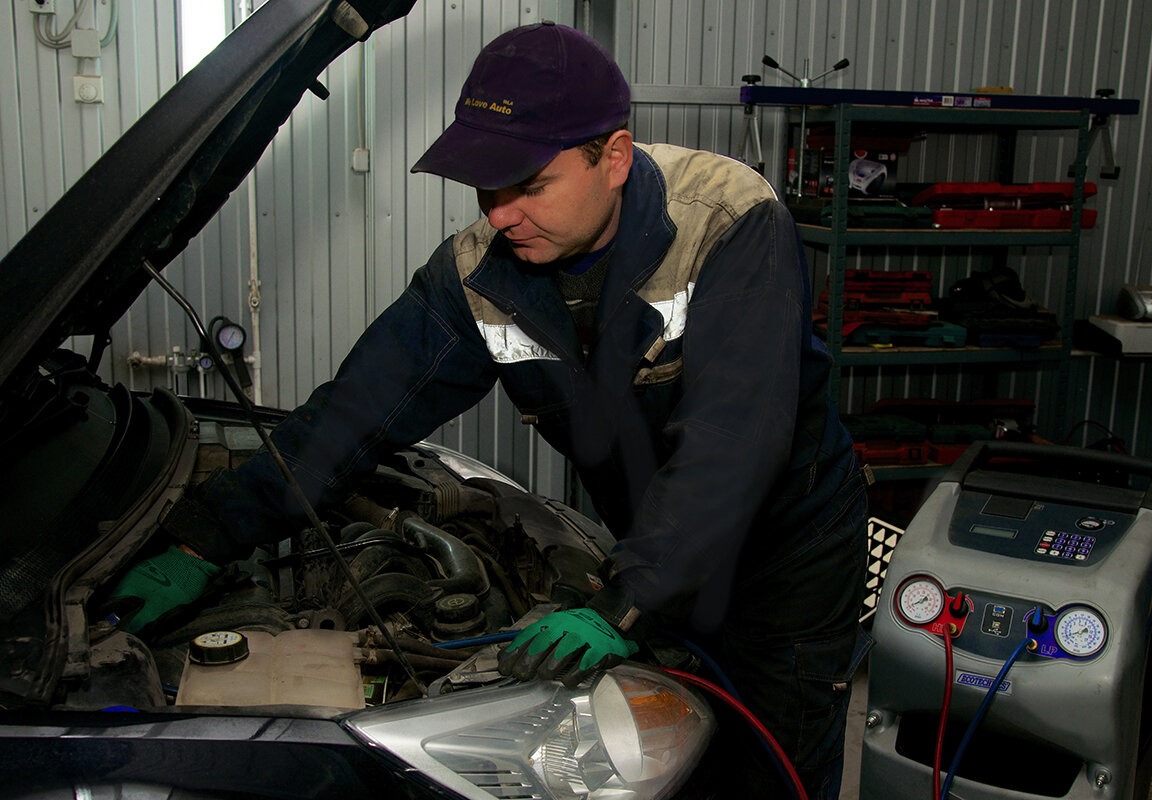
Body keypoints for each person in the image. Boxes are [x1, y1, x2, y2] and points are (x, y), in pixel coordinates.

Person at [109, 22, 870, 799]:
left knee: (773, 766)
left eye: (528, 185)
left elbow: (733, 443)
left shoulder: (727, 222)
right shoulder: (479, 276)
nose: (500, 214)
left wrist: (626, 600)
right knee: (663, 755)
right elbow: (352, 417)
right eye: (486, 187)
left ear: (611, 157)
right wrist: (205, 538)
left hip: (785, 555)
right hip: (657, 544)